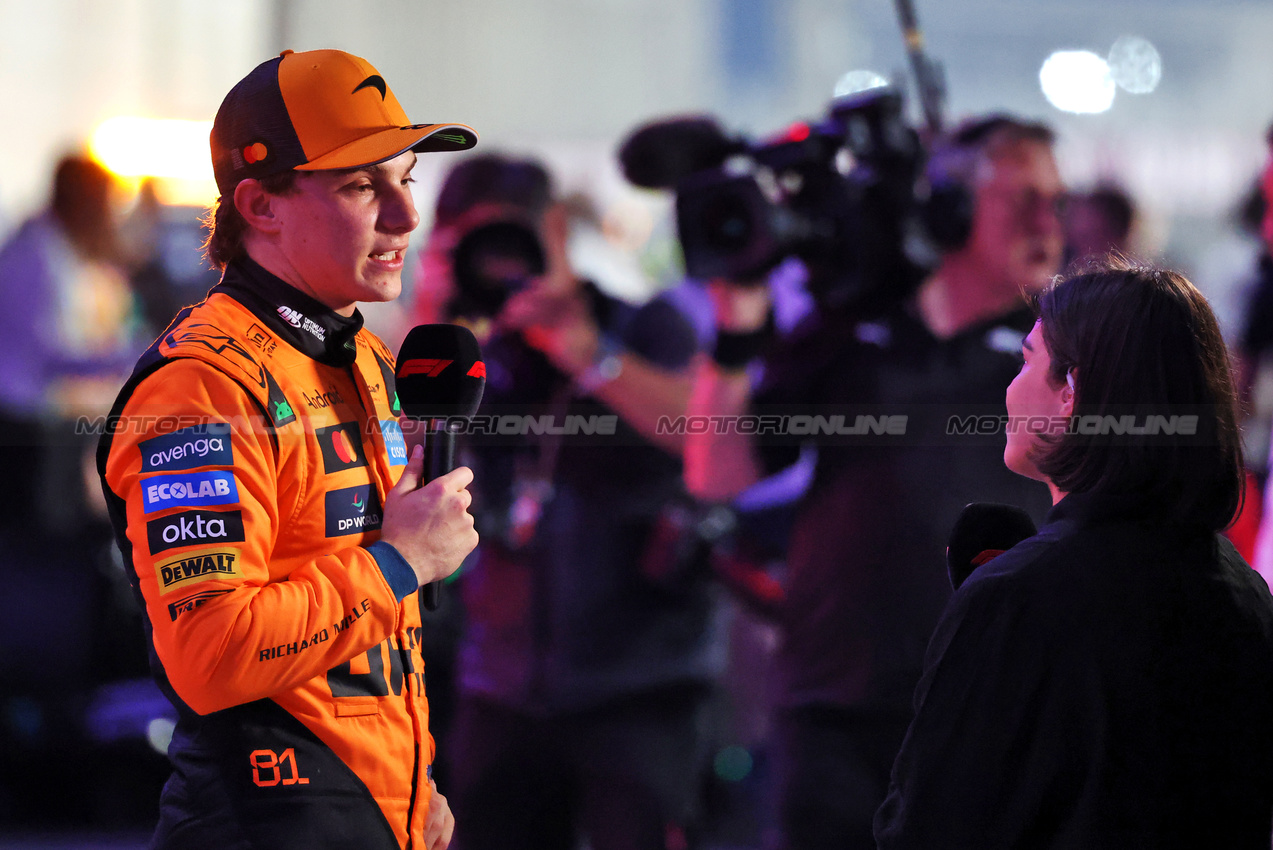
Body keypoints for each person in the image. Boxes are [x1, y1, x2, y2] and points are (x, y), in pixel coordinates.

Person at [96, 48, 480, 850]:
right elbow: (211, 655)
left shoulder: (367, 358)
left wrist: (410, 785)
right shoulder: (201, 385)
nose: (405, 217)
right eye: (360, 186)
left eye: (405, 180)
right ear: (259, 205)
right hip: (264, 821)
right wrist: (400, 561)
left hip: (370, 812)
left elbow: (365, 643)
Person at [683, 114, 1064, 849]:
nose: (1047, 220)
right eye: (1020, 197)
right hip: (836, 706)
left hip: (999, 709)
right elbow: (716, 471)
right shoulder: (847, 328)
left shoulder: (1057, 352)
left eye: (1055, 197)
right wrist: (733, 336)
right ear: (949, 207)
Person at [876, 260, 1273, 848]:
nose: (1010, 389)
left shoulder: (1018, 599)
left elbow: (924, 831)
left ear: (1072, 391)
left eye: (1026, 361)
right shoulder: (1246, 593)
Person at [413, 152, 724, 850]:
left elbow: (706, 436)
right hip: (500, 682)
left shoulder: (644, 326)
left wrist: (585, 351)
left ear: (552, 230)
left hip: (642, 683)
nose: (496, 268)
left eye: (507, 240)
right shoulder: (470, 358)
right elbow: (394, 471)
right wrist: (430, 324)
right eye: (470, 248)